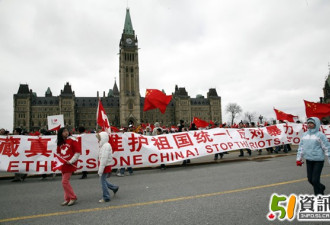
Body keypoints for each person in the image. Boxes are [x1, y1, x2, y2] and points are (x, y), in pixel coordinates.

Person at [296, 117, 330, 195]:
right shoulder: (304, 135)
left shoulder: (320, 135)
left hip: (318, 160)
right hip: (309, 160)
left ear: (316, 124)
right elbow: (301, 147)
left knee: (315, 180)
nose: (309, 125)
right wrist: (298, 158)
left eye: (311, 123)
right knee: (310, 179)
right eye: (308, 123)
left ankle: (318, 196)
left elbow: (327, 148)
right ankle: (321, 187)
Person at [57, 127, 81, 206]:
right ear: (61, 133)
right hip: (63, 165)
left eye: (67, 131)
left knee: (64, 182)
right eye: (64, 131)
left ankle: (73, 197)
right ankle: (67, 198)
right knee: (65, 183)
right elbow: (58, 154)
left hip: (69, 164)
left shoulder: (72, 140)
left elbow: (77, 152)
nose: (66, 132)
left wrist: (70, 161)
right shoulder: (60, 143)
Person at [96, 132, 119, 203]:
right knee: (103, 180)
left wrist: (100, 170)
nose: (98, 140)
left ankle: (106, 197)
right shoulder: (104, 145)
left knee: (102, 181)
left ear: (102, 138)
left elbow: (104, 159)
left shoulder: (106, 146)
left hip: (105, 166)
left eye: (99, 138)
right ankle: (114, 187)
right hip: (105, 165)